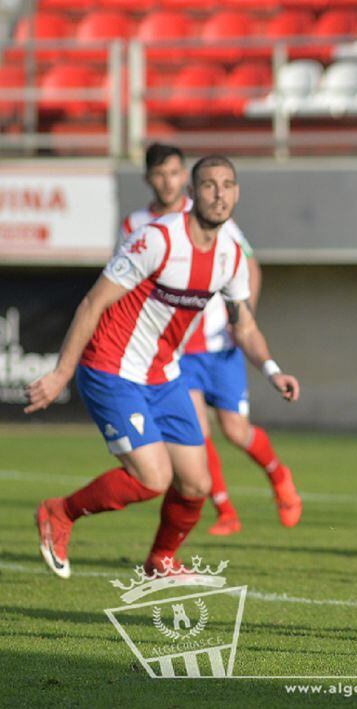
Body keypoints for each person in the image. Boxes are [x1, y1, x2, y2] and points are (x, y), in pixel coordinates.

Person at [27, 155, 300, 578]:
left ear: (237, 193)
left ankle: (160, 560)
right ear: (192, 194)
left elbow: (243, 325)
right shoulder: (156, 239)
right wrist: (62, 372)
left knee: (196, 483)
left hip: (162, 372)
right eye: (209, 185)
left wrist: (271, 369)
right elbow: (93, 302)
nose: (219, 193)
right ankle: (59, 513)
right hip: (111, 367)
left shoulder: (230, 255)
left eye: (227, 185)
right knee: (152, 478)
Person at [120, 144, 301, 537]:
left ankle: (279, 476)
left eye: (173, 173)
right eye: (159, 174)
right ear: (148, 178)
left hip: (221, 345)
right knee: (196, 433)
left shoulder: (208, 215)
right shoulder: (136, 224)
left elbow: (248, 265)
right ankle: (225, 510)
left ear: (183, 177)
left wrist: (244, 315)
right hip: (176, 352)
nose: (167, 182)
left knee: (236, 431)